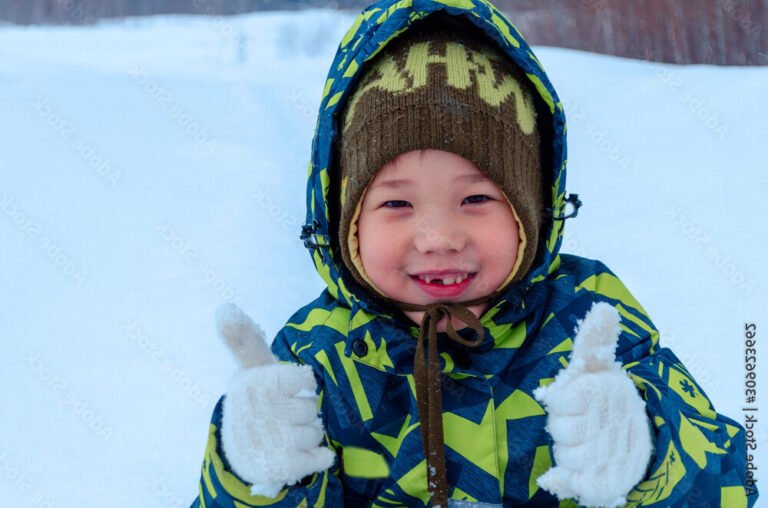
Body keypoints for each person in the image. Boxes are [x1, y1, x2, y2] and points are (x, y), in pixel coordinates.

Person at [191, 1, 757, 506]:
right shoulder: (318, 357)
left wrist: (648, 455)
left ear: (533, 210)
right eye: (397, 204)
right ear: (346, 223)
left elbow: (730, 486)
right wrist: (256, 479)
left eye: (477, 198)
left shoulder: (589, 324)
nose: (439, 236)